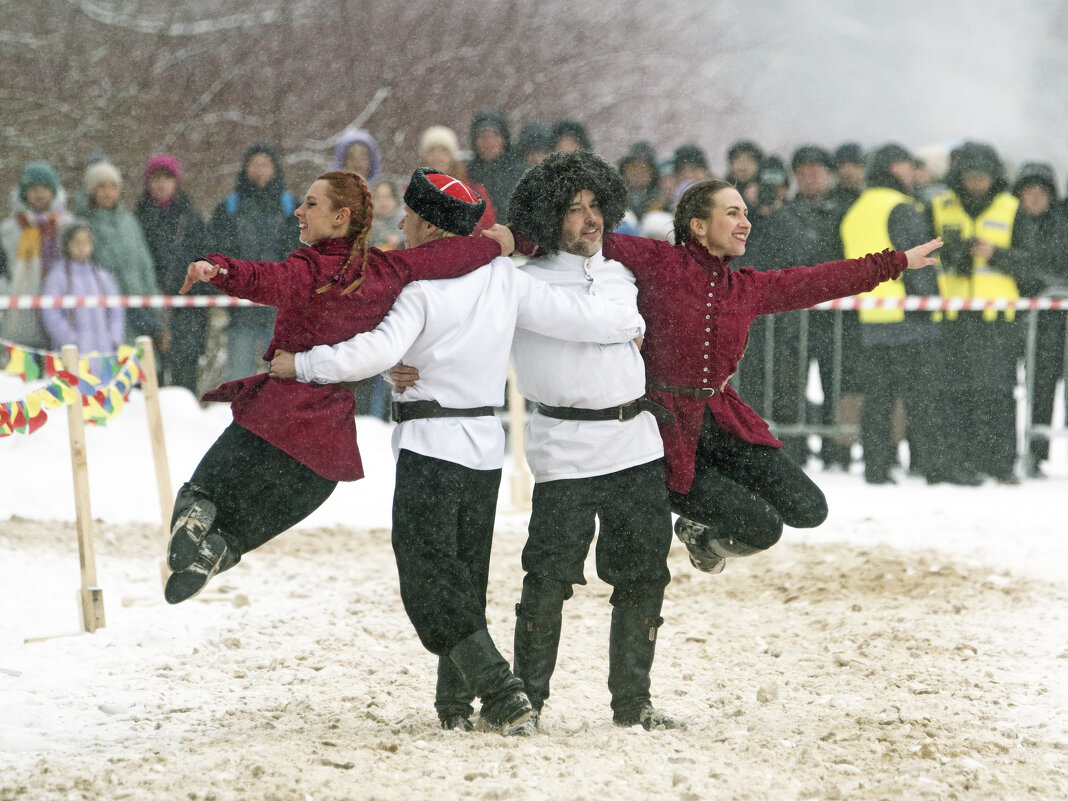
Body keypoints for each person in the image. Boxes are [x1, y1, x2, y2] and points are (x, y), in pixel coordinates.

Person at [270, 167, 646, 736]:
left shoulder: (418, 288)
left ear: (427, 226)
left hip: (431, 442)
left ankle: (498, 690)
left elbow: (369, 351)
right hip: (484, 451)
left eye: (409, 218)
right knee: (463, 576)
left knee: (427, 577)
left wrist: (299, 364)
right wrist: (629, 324)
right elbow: (576, 318)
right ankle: (453, 703)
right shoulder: (504, 279)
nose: (401, 225)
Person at [162, 169, 513, 605]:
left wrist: (220, 270)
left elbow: (267, 279)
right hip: (326, 439)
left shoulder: (310, 268)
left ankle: (198, 515)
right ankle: (225, 546)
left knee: (204, 491)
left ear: (340, 217)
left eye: (311, 203)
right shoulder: (388, 270)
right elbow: (445, 258)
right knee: (281, 503)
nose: (299, 211)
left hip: (278, 411)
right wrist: (496, 244)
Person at [597, 179, 942, 576]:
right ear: (697, 225)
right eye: (732, 213)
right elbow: (586, 239)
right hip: (660, 427)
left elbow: (819, 281)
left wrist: (896, 262)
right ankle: (689, 514)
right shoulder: (659, 260)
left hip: (720, 418)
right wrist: (516, 240)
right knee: (762, 527)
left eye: (745, 213)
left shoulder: (744, 287)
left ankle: (700, 527)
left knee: (809, 508)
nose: (745, 222)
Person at [505, 151, 680, 733]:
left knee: (644, 576)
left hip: (635, 443)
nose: (589, 219)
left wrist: (620, 321)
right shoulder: (519, 281)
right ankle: (527, 701)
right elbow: (597, 323)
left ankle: (633, 703)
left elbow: (608, 318)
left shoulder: (619, 274)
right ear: (549, 217)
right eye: (574, 210)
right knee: (549, 578)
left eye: (595, 206)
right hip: (564, 446)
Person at [840, 144, 950, 485]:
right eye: (906, 165)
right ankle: (931, 466)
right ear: (892, 168)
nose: (911, 172)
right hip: (909, 316)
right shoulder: (900, 207)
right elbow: (918, 262)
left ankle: (876, 465)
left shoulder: (856, 209)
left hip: (871, 319)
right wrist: (933, 304)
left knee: (877, 401)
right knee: (923, 399)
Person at [927, 142, 1028, 484]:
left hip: (997, 319)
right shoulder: (940, 205)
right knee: (955, 392)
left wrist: (995, 254)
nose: (976, 184)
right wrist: (955, 253)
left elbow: (1031, 265)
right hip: (953, 317)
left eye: (982, 177)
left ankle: (1000, 463)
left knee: (997, 392)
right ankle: (961, 461)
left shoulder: (1012, 208)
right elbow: (926, 253)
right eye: (970, 177)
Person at [210, 141, 301, 382]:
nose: (260, 170)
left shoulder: (291, 205)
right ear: (246, 168)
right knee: (239, 374)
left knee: (281, 374)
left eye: (265, 164)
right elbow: (217, 249)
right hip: (241, 303)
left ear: (274, 169)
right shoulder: (230, 205)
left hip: (279, 302)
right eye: (255, 164)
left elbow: (301, 249)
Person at [135, 154, 214, 394]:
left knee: (184, 381)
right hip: (148, 307)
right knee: (149, 379)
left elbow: (206, 259)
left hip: (187, 309)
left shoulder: (191, 218)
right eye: (156, 178)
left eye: (167, 178)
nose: (161, 184)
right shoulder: (137, 219)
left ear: (176, 182)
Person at [1011, 162, 1068, 477]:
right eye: (1028, 192)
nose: (1034, 198)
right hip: (1035, 322)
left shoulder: (1060, 224)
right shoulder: (1013, 225)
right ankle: (1036, 451)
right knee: (1039, 386)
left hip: (1056, 319)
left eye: (1041, 192)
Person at [72, 160, 161, 345]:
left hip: (139, 311)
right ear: (91, 190)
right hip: (104, 313)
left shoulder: (129, 221)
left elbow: (145, 266)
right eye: (101, 186)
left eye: (113, 186)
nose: (108, 192)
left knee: (144, 367)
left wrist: (155, 310)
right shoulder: (82, 225)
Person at [0, 161, 73, 347]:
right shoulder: (8, 230)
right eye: (33, 188)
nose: (39, 193)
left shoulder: (68, 226)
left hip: (63, 313)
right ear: (24, 193)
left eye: (44, 188)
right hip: (21, 313)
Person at [40, 223, 124, 353]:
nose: (82, 248)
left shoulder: (102, 276)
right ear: (67, 245)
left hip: (104, 353)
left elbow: (116, 310)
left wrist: (114, 338)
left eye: (86, 242)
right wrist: (72, 340)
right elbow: (51, 314)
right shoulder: (56, 277)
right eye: (76, 243)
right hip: (72, 354)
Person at [416, 125, 496, 234]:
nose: (437, 156)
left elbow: (487, 225)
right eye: (432, 150)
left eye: (444, 150)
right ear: (425, 157)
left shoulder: (471, 189)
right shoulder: (414, 189)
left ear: (452, 156)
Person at [466, 108, 525, 223]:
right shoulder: (467, 174)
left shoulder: (520, 173)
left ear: (504, 139)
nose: (488, 143)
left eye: (494, 136)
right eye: (483, 137)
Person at [618, 140, 662, 222]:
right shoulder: (614, 199)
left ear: (653, 173)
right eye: (633, 166)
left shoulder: (661, 201)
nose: (638, 172)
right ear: (624, 170)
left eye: (644, 168)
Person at [368, 179, 404, 251]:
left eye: (388, 197)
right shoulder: (369, 222)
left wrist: (399, 241)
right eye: (378, 197)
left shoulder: (404, 219)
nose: (383, 202)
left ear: (396, 200)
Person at [724, 140, 764, 206]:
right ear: (731, 165)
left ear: (758, 166)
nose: (743, 166)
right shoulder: (720, 192)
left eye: (749, 160)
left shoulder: (766, 192)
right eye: (738, 160)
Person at [832, 142, 866, 207]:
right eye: (843, 165)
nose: (849, 170)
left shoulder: (874, 194)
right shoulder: (830, 199)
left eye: (854, 165)